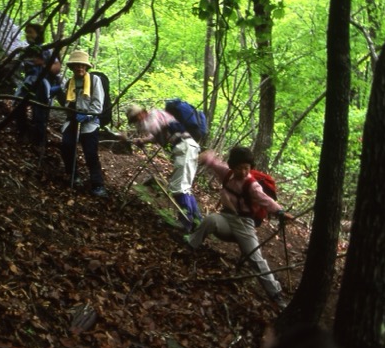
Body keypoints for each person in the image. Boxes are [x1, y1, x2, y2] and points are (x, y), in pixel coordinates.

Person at [185, 146, 294, 308]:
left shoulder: (252, 185)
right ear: (232, 166)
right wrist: (203, 157)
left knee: (255, 258)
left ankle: (275, 293)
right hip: (226, 217)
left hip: (245, 224)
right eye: (239, 168)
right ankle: (189, 245)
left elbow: (266, 200)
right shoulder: (227, 173)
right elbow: (213, 162)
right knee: (210, 220)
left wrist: (280, 212)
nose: (243, 172)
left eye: (246, 168)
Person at [124, 104, 202, 233]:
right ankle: (197, 221)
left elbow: (153, 128)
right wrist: (142, 141)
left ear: (141, 113)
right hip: (187, 147)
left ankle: (186, 222)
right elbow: (156, 135)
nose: (136, 122)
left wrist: (131, 135)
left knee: (179, 187)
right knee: (184, 187)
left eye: (135, 119)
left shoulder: (154, 115)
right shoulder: (157, 116)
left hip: (185, 147)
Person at [60, 50, 107, 197]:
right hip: (73, 120)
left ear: (86, 67)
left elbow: (98, 104)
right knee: (66, 146)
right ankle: (73, 175)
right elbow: (66, 103)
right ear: (72, 67)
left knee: (90, 153)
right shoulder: (69, 82)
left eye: (82, 65)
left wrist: (88, 115)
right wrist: (59, 95)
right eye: (77, 65)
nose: (80, 68)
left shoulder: (94, 80)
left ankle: (98, 185)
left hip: (90, 122)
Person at [13, 24, 64, 145]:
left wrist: (43, 64)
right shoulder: (27, 51)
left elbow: (57, 68)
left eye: (30, 32)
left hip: (42, 84)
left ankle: (39, 141)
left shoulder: (46, 50)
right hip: (28, 82)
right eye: (26, 32)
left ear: (38, 34)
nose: (28, 35)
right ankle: (23, 132)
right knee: (18, 103)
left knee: (39, 111)